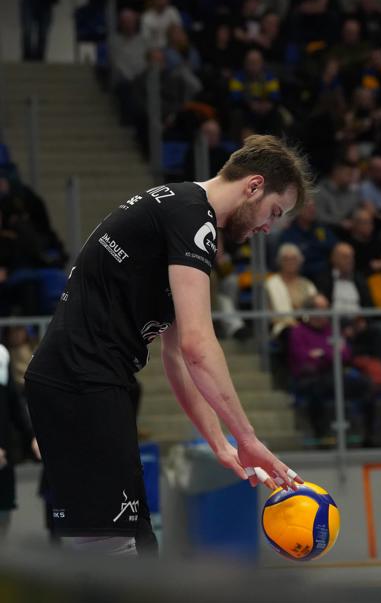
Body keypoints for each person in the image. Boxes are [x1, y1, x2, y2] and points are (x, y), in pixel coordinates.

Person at [24, 135, 312, 556]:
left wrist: (221, 443)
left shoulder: (180, 212)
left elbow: (176, 354)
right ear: (254, 186)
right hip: (80, 382)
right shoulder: (192, 218)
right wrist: (247, 436)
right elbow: (198, 345)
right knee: (109, 549)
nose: (268, 227)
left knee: (138, 544)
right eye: (274, 212)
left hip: (91, 381)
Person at [287, 294, 375, 447]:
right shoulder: (298, 332)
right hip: (310, 378)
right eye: (322, 308)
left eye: (327, 307)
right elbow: (303, 358)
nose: (327, 311)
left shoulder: (332, 329)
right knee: (315, 390)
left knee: (366, 385)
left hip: (334, 375)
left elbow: (346, 355)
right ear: (311, 311)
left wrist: (322, 354)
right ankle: (322, 437)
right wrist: (331, 353)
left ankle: (368, 435)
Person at [0, 344, 40, 537]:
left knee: (4, 510)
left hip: (4, 455)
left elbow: (14, 404)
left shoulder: (2, 355)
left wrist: (32, 436)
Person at [265, 243, 317, 339]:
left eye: (294, 259)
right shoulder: (270, 284)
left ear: (300, 261)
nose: (290, 262)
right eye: (286, 259)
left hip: (307, 326)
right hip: (282, 328)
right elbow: (267, 314)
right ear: (279, 262)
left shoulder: (308, 284)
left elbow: (315, 308)